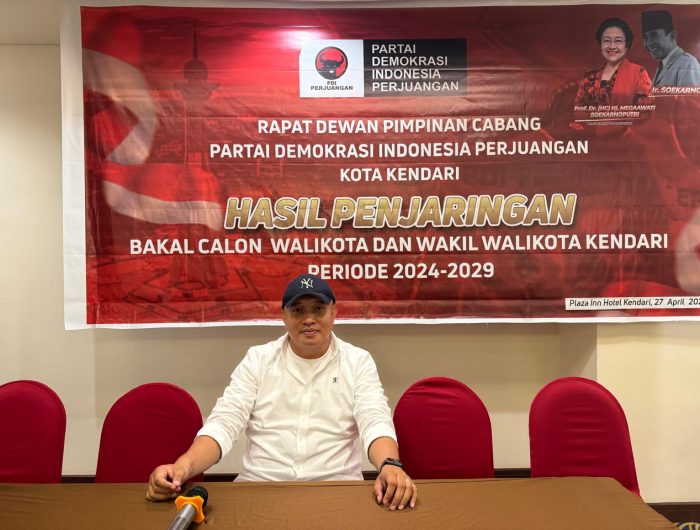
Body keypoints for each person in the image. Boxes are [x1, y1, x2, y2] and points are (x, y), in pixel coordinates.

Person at [146, 273, 417, 511]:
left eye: (318, 309)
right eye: (298, 310)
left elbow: (374, 419)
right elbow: (225, 422)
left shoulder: (358, 361)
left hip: (336, 489)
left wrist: (389, 465)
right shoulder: (258, 359)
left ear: (334, 312)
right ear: (283, 316)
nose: (309, 319)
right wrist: (181, 467)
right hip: (259, 487)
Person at [574, 17, 652, 107]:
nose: (612, 46)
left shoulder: (639, 73)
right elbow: (578, 109)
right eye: (607, 40)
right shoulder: (589, 76)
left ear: (626, 45)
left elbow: (646, 110)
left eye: (618, 41)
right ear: (600, 45)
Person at [641, 10, 700, 87]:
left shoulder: (687, 64)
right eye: (646, 38)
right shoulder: (664, 65)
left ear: (672, 35)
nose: (649, 43)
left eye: (654, 35)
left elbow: (690, 95)